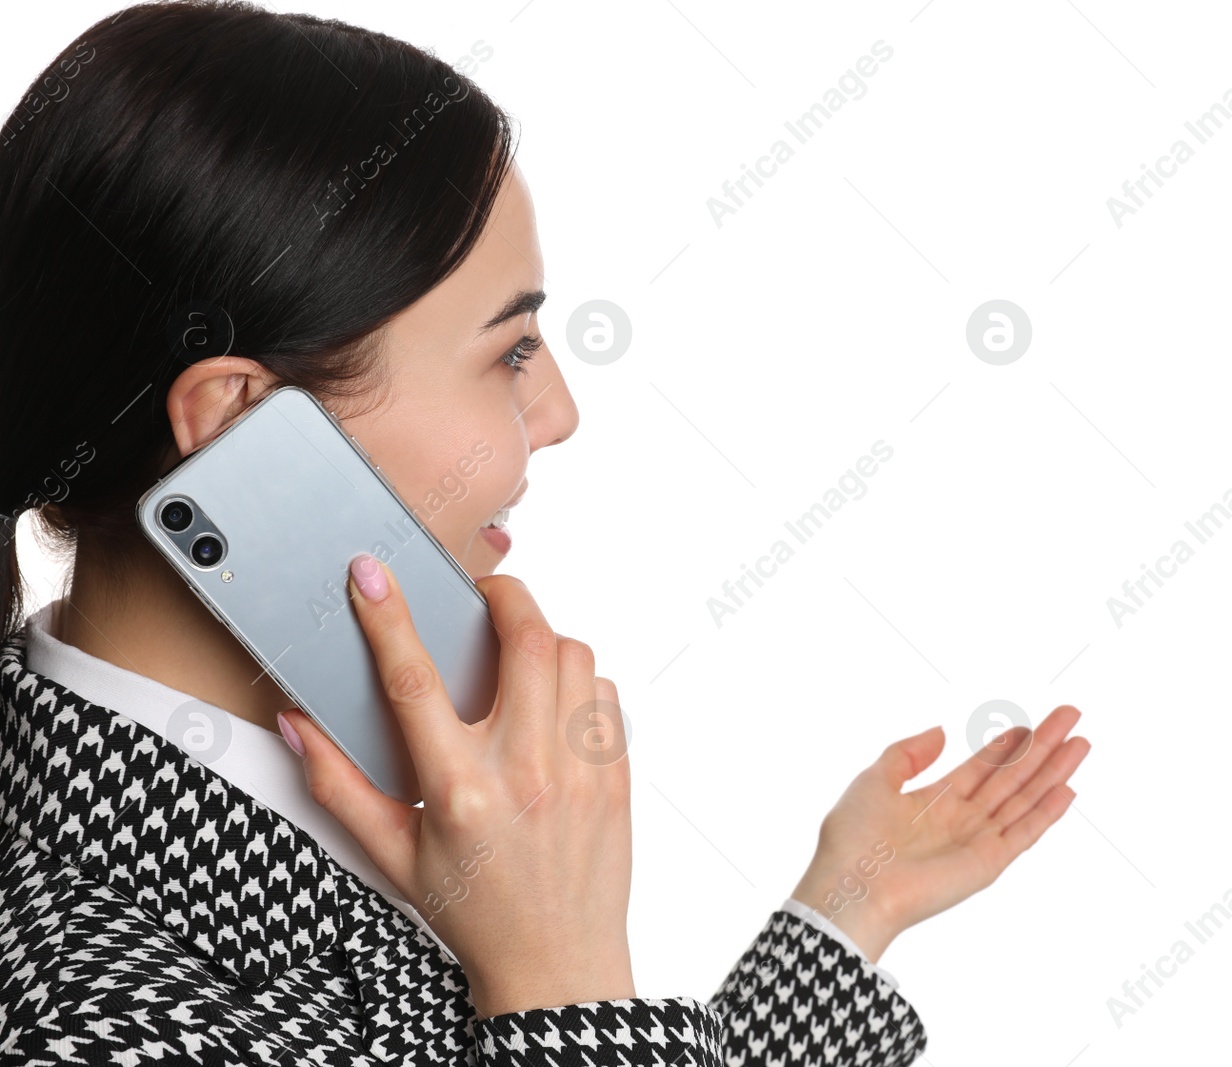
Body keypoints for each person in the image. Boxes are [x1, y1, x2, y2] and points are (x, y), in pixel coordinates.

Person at [0, 3, 1093, 1062]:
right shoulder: (83, 1008)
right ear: (240, 419)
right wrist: (559, 973)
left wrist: (853, 906)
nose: (560, 411)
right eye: (509, 349)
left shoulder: (275, 787)